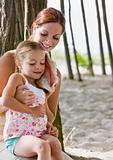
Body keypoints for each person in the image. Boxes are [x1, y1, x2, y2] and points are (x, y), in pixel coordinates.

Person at [0, 7, 65, 126]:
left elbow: (49, 119)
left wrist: (42, 97)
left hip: (34, 133)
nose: (49, 42)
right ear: (34, 28)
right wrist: (16, 99)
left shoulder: (54, 74)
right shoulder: (10, 59)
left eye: (55, 37)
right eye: (44, 34)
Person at [1, 40, 63, 160]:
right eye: (32, 63)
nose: (38, 67)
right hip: (18, 138)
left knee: (55, 143)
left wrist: (49, 127)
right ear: (19, 63)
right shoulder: (18, 78)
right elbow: (6, 101)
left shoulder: (40, 89)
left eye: (42, 63)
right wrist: (31, 111)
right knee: (43, 146)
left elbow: (41, 115)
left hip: (39, 134)